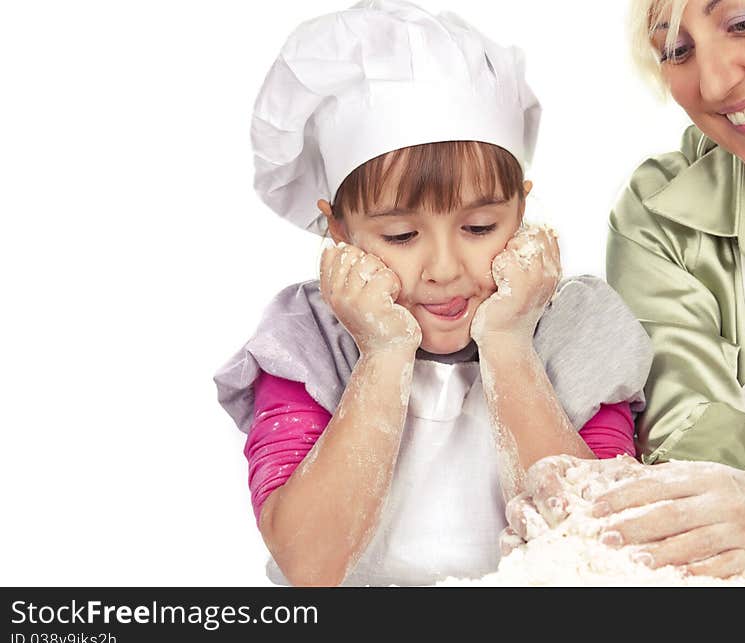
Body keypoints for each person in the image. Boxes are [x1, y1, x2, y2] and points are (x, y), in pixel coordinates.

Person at [213, 0, 653, 587]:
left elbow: (597, 547)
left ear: (521, 208)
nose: (444, 268)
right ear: (338, 230)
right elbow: (310, 566)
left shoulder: (576, 325)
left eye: (479, 228)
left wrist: (509, 342)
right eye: (400, 235)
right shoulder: (307, 339)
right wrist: (383, 352)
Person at [505, 0, 745, 576]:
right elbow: (695, 442)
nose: (715, 81)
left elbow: (737, 506)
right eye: (677, 50)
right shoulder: (661, 219)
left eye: (744, 22)